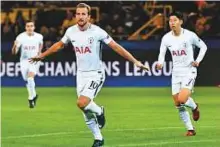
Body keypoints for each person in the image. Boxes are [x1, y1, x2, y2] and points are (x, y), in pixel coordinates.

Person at [29, 3, 148, 147]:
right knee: (84, 109)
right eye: (78, 14)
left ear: (89, 17)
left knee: (82, 102)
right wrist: (42, 55)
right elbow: (59, 45)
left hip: (96, 74)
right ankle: (98, 139)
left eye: (83, 14)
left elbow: (116, 46)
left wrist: (135, 61)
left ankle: (99, 111)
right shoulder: (71, 31)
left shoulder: (97, 32)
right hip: (80, 75)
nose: (80, 16)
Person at [156, 11, 207, 136]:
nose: (172, 23)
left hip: (189, 71)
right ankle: (190, 129)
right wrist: (160, 63)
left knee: (182, 99)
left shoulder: (189, 35)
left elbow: (204, 47)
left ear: (181, 22)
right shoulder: (166, 38)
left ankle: (194, 107)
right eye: (170, 21)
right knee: (178, 104)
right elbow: (162, 52)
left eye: (175, 20)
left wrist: (198, 61)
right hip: (176, 72)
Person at [12, 20, 43, 108]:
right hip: (24, 61)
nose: (30, 28)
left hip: (34, 60)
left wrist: (39, 53)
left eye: (31, 26)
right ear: (25, 28)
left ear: (34, 27)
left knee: (30, 77)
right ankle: (34, 95)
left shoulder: (39, 36)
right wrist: (14, 46)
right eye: (28, 26)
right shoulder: (20, 37)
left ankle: (30, 98)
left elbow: (41, 44)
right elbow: (14, 52)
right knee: (27, 80)